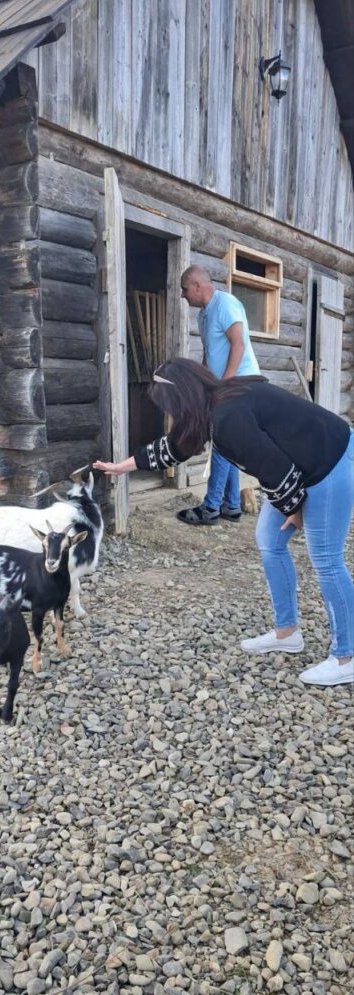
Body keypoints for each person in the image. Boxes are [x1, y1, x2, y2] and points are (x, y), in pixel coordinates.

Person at [94, 358, 354, 687]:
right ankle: (287, 631)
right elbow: (178, 445)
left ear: (182, 399)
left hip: (330, 460)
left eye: (169, 407)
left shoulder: (228, 416)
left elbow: (273, 467)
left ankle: (346, 657)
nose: (170, 415)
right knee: (269, 540)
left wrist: (293, 507)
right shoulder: (214, 403)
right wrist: (123, 467)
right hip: (299, 467)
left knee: (327, 560)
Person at [179, 265, 260, 525]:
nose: (182, 295)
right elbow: (210, 353)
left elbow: (238, 344)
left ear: (197, 286)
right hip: (223, 385)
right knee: (229, 442)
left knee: (223, 442)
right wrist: (204, 383)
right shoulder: (204, 316)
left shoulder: (225, 304)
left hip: (240, 383)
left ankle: (211, 507)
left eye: (184, 289)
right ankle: (231, 505)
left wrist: (226, 384)